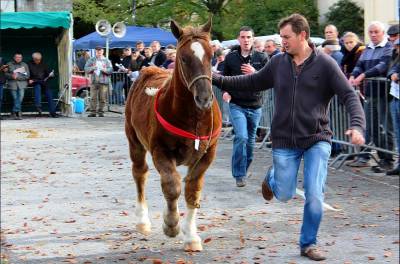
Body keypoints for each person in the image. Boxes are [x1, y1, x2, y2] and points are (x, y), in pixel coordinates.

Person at [213, 14, 366, 261]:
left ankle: (308, 244)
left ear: (303, 35)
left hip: (317, 137)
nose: (282, 42)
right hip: (284, 139)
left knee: (315, 193)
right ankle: (273, 178)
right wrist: (216, 78)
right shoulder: (277, 63)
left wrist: (357, 126)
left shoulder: (325, 65)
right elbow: (251, 81)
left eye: (287, 37)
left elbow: (349, 95)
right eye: (281, 37)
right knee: (284, 194)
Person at [221, 26, 268, 187]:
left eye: (249, 37)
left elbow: (268, 80)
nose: (246, 40)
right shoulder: (231, 58)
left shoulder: (262, 57)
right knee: (241, 137)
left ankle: (243, 170)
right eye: (243, 37)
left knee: (249, 143)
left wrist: (255, 72)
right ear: (238, 39)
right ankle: (239, 174)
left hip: (255, 105)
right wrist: (225, 91)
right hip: (237, 104)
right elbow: (224, 78)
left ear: (253, 39)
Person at [349, 21, 394, 172]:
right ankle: (380, 158)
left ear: (383, 33)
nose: (373, 35)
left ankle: (388, 160)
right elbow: (359, 65)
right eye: (371, 32)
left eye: (376, 32)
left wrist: (363, 75)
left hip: (383, 93)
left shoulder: (388, 47)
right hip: (370, 92)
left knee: (385, 127)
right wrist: (353, 75)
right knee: (372, 127)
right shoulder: (367, 48)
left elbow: (382, 66)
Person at [84, 46, 113, 117]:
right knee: (93, 97)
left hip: (104, 81)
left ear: (103, 51)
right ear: (95, 52)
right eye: (97, 51)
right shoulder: (91, 60)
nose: (99, 52)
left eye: (100, 51)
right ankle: (93, 112)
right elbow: (86, 68)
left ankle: (101, 112)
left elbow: (111, 70)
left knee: (102, 98)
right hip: (94, 81)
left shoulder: (107, 60)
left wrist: (104, 70)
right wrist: (92, 68)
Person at [28, 52, 58, 118]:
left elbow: (50, 73)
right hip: (35, 83)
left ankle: (53, 112)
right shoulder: (29, 64)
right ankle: (38, 107)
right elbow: (27, 75)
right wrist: (29, 79)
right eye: (36, 60)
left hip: (44, 83)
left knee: (49, 95)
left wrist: (51, 74)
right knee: (37, 87)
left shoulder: (44, 64)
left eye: (39, 59)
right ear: (33, 59)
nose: (38, 61)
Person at [386, 39, 400, 175]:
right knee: (397, 133)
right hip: (395, 98)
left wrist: (397, 76)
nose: (397, 49)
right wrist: (394, 74)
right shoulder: (396, 57)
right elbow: (390, 70)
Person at [5, 52, 30, 120]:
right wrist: (11, 76)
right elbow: (5, 74)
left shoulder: (24, 65)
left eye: (20, 57)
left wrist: (18, 77)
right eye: (17, 57)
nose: (18, 58)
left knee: (20, 99)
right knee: (15, 98)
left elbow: (27, 76)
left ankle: (14, 111)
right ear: (14, 57)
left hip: (22, 84)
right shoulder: (8, 64)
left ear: (22, 58)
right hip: (12, 84)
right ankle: (18, 113)